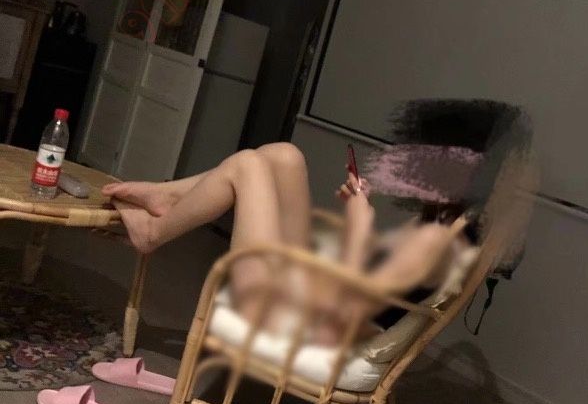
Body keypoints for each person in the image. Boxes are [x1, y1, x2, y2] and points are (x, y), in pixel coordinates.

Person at [102, 143, 469, 346]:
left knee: (246, 166)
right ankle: (167, 196)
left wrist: (359, 222)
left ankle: (153, 233)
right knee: (285, 156)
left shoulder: (438, 243)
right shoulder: (436, 226)